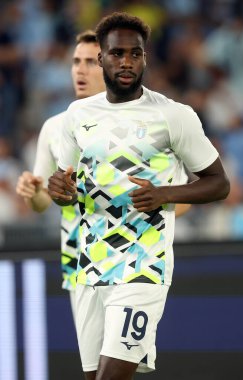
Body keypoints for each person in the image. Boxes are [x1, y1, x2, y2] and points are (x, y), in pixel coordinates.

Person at [48, 12, 230, 380]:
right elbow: (65, 186)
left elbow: (218, 182)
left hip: (144, 263)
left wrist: (165, 193)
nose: (127, 61)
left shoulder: (173, 116)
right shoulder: (76, 116)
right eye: (117, 54)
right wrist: (60, 192)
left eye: (136, 54)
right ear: (101, 58)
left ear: (146, 57)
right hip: (91, 265)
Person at [16, 30, 106, 319]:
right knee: (93, 366)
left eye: (91, 61)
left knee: (123, 362)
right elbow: (42, 203)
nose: (80, 69)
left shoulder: (139, 124)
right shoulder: (54, 127)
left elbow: (178, 199)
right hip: (77, 261)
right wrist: (33, 193)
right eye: (76, 61)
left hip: (133, 257)